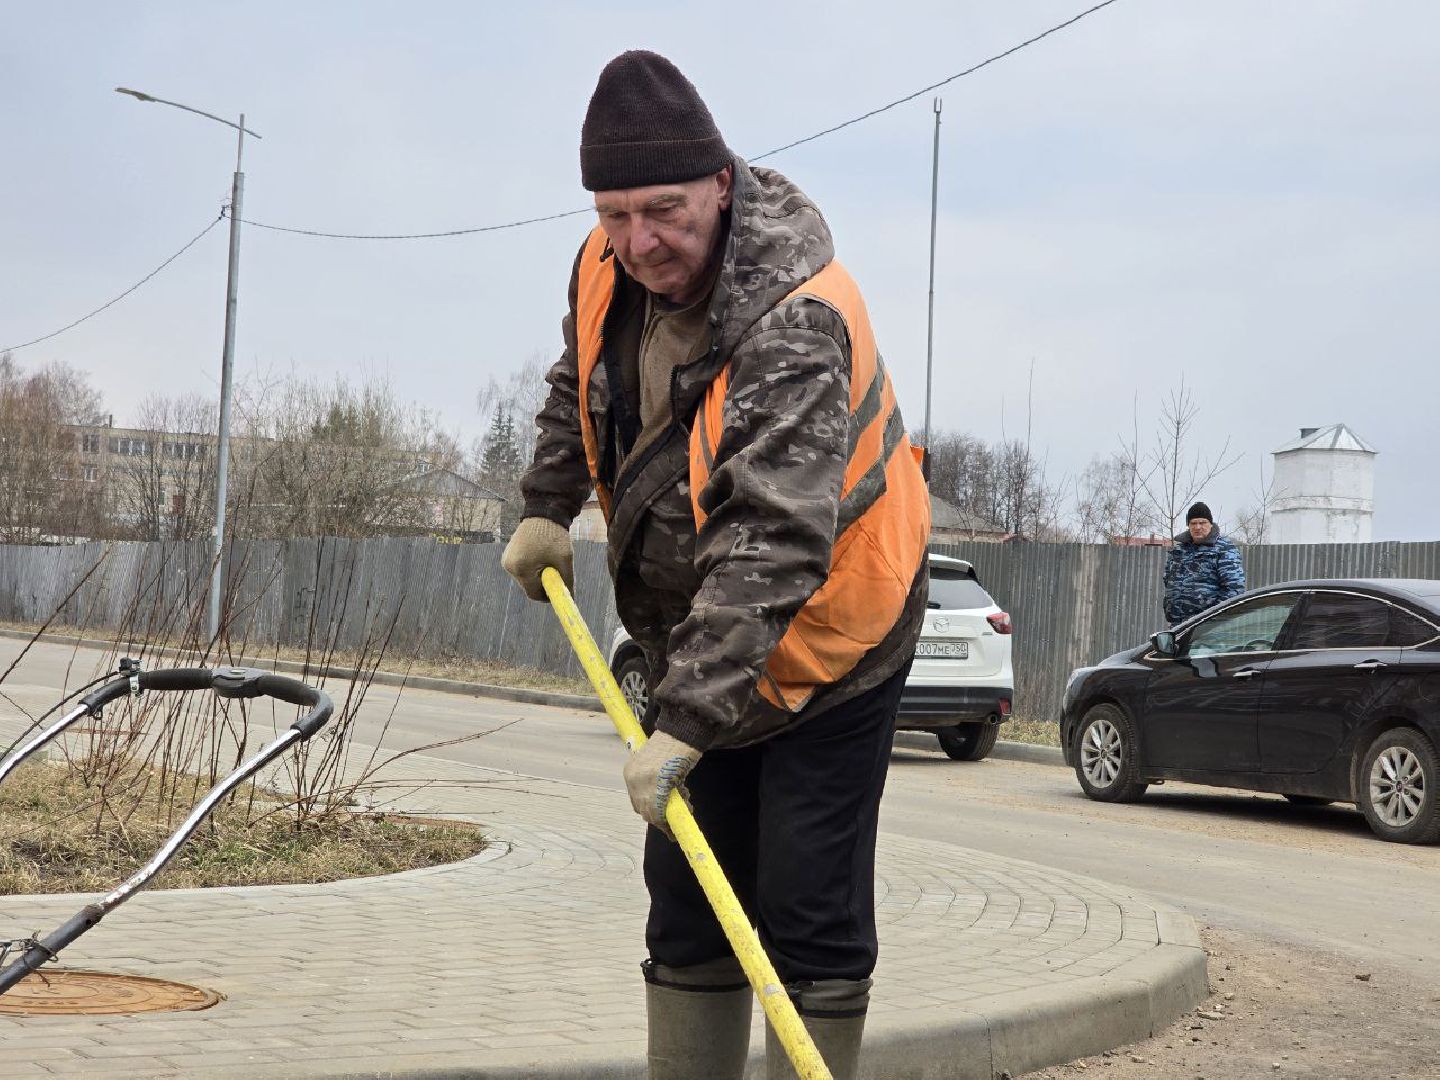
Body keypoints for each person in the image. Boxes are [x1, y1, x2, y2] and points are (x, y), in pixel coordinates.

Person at [500, 50, 930, 1080]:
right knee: (687, 890)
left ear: (722, 184)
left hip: (834, 635)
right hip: (709, 637)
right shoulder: (604, 266)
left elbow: (773, 543)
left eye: (663, 210)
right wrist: (546, 503)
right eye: (614, 215)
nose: (640, 241)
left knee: (802, 894)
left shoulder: (796, 319)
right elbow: (582, 382)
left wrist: (684, 722)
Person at [1163, 501, 1246, 626]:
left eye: (1202, 523)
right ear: (1188, 525)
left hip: (1209, 628)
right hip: (1178, 625)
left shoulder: (1223, 549)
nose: (1197, 527)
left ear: (1210, 524)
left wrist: (1211, 618)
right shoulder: (1178, 550)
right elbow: (1168, 580)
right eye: (1193, 523)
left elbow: (1234, 589)